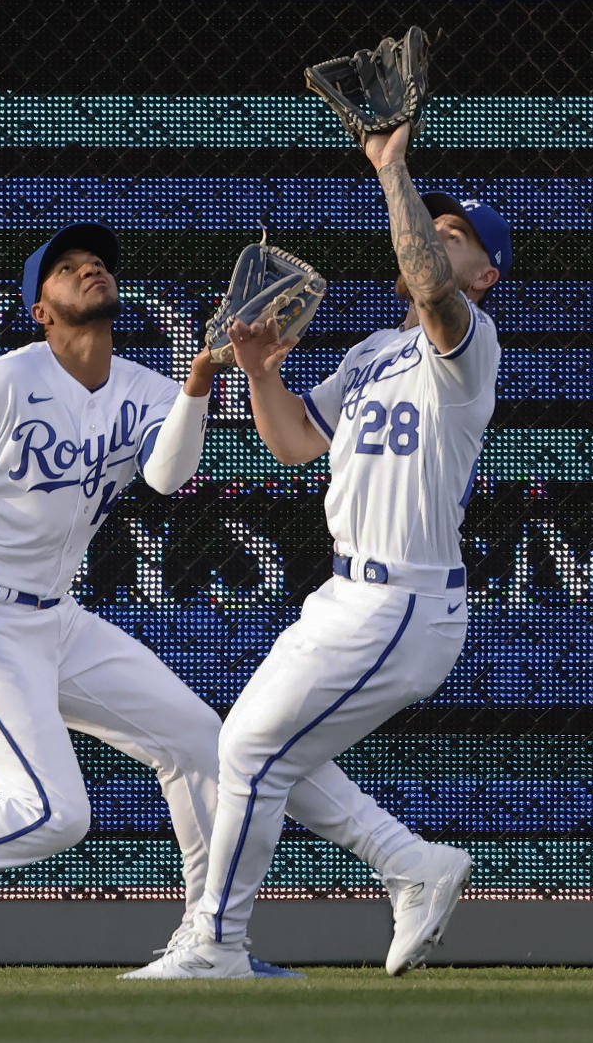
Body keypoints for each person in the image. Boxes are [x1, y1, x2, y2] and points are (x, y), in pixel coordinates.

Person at [0, 220, 435, 979]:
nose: (90, 269)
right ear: (42, 308)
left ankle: (210, 945)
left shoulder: (142, 387)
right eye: (69, 268)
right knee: (52, 813)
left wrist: (199, 379)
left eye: (97, 262)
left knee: (203, 743)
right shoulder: (1, 381)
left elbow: (167, 475)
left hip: (55, 622)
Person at [124, 120, 512, 979]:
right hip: (346, 594)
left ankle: (218, 943)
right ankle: (413, 864)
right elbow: (297, 440)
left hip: (405, 601)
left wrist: (391, 166)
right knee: (251, 747)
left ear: (485, 275)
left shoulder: (468, 346)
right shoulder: (377, 351)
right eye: (435, 229)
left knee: (256, 752)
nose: (438, 242)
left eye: (458, 239)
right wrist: (261, 370)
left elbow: (424, 281)